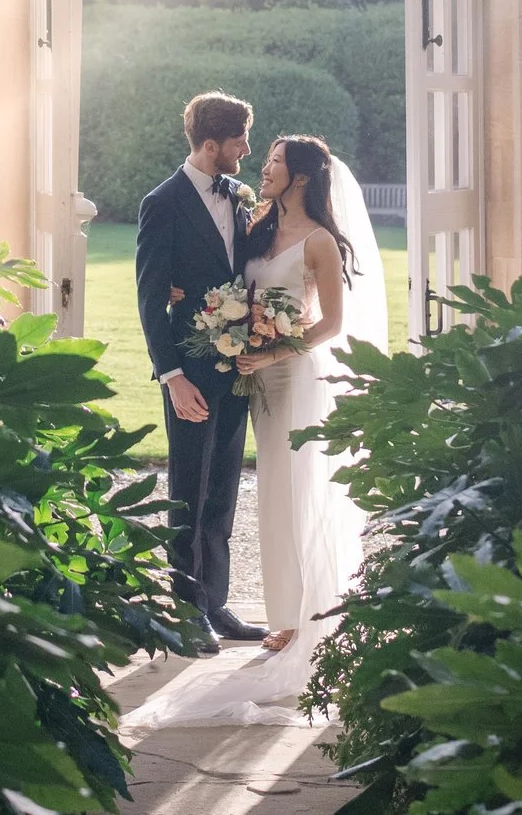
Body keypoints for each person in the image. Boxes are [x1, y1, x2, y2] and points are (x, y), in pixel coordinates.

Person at [122, 133, 386, 733]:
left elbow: (332, 323)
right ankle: (277, 615)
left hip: (291, 377)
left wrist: (270, 352)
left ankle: (310, 617)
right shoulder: (258, 223)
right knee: (266, 494)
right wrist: (180, 292)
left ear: (299, 177)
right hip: (249, 380)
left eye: (271, 161)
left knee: (298, 490)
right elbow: (219, 274)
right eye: (254, 154)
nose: (259, 167)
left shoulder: (317, 239)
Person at [133, 92, 262, 642]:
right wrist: (173, 377)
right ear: (212, 145)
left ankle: (218, 604)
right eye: (239, 142)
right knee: (187, 492)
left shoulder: (237, 195)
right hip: (189, 373)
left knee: (223, 492)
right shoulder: (162, 203)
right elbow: (147, 298)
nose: (247, 150)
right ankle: (188, 616)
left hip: (237, 370)